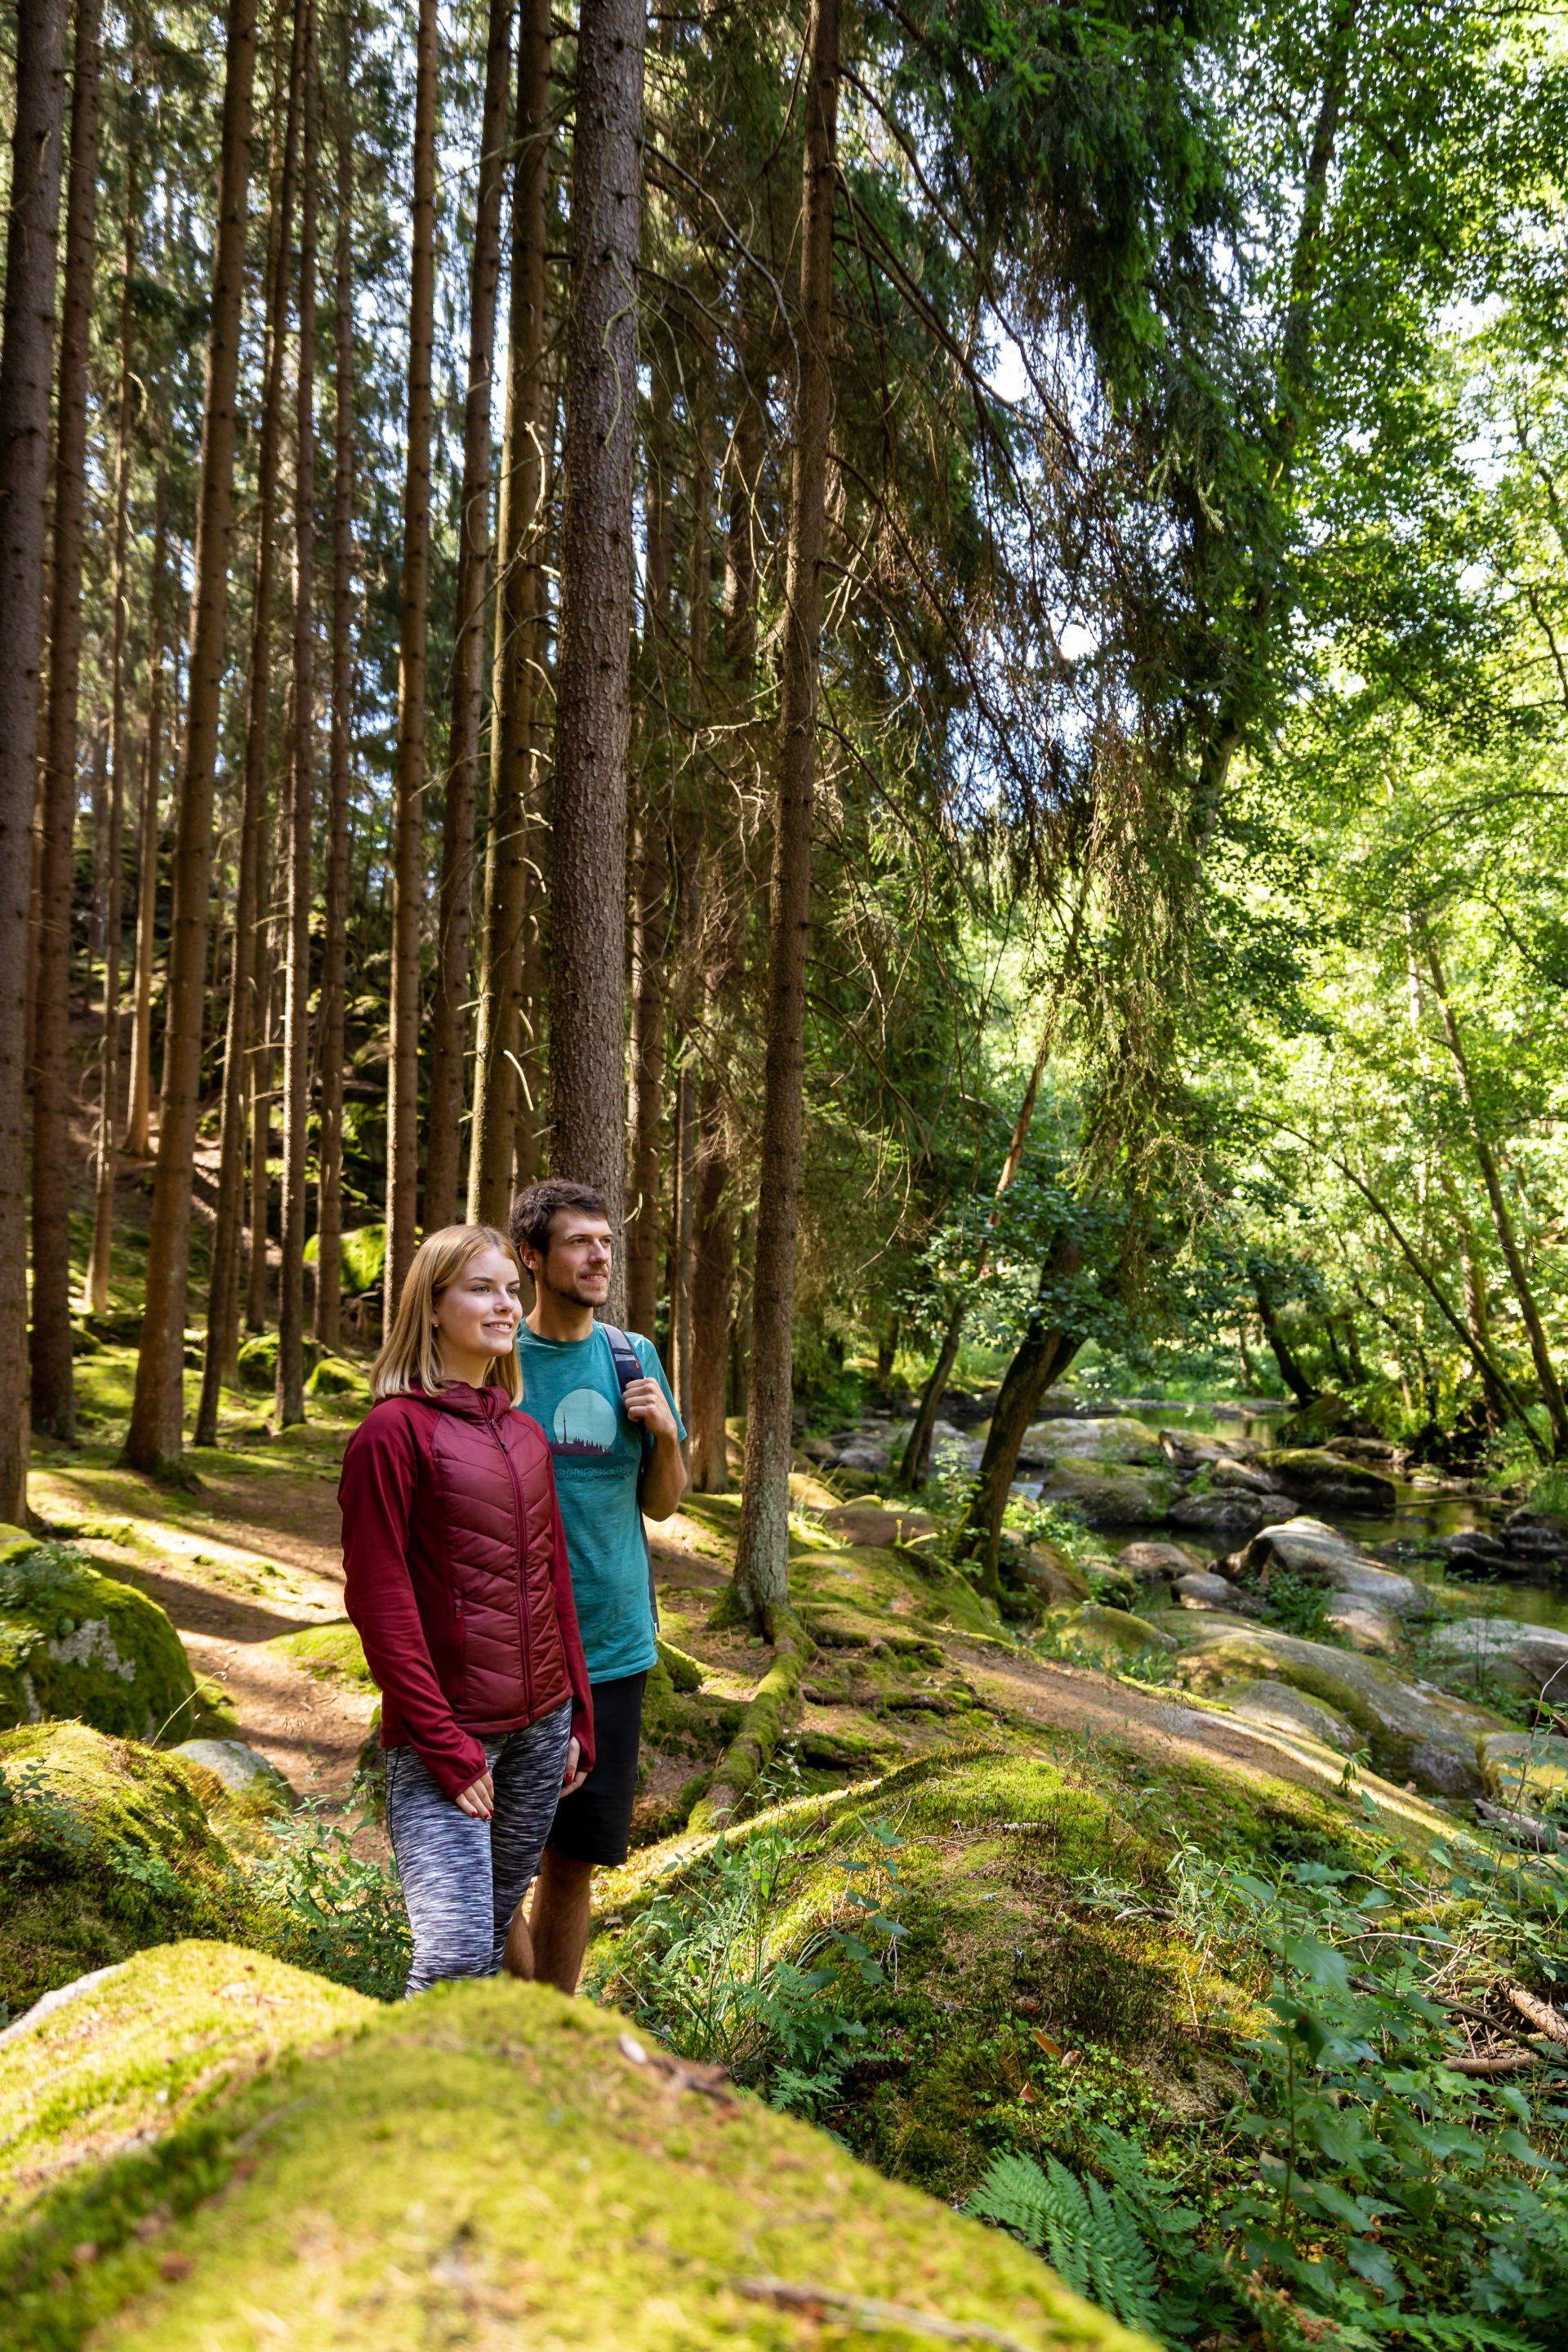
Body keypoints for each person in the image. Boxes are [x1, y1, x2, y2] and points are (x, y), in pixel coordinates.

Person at [339, 1224, 594, 1996]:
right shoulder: (391, 1432)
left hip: (541, 1734)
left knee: (486, 1937)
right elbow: (378, 1599)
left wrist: (578, 1714)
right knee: (451, 1957)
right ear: (433, 1304)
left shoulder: (522, 1434)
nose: (505, 1305)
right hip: (446, 1740)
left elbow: (555, 1586)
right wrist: (445, 1745)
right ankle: (399, 2109)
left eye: (511, 1290)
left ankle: (481, 2104)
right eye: (481, 1289)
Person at [509, 1178, 687, 1991]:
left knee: (572, 1860)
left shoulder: (632, 1355)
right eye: (579, 1242)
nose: (599, 1255)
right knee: (488, 1853)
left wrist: (666, 1436)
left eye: (606, 1242)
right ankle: (505, 2006)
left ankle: (555, 2030)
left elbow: (661, 1502)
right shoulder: (497, 1355)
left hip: (613, 1647)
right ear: (532, 1257)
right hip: (512, 1646)